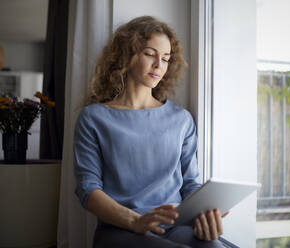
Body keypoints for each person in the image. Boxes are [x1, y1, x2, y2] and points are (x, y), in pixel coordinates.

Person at [73, 16, 227, 248]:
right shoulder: (93, 118)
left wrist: (205, 215)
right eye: (149, 54)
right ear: (127, 55)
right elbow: (88, 189)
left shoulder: (181, 119)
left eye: (165, 59)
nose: (159, 65)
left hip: (177, 227)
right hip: (121, 230)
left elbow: (190, 184)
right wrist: (135, 220)